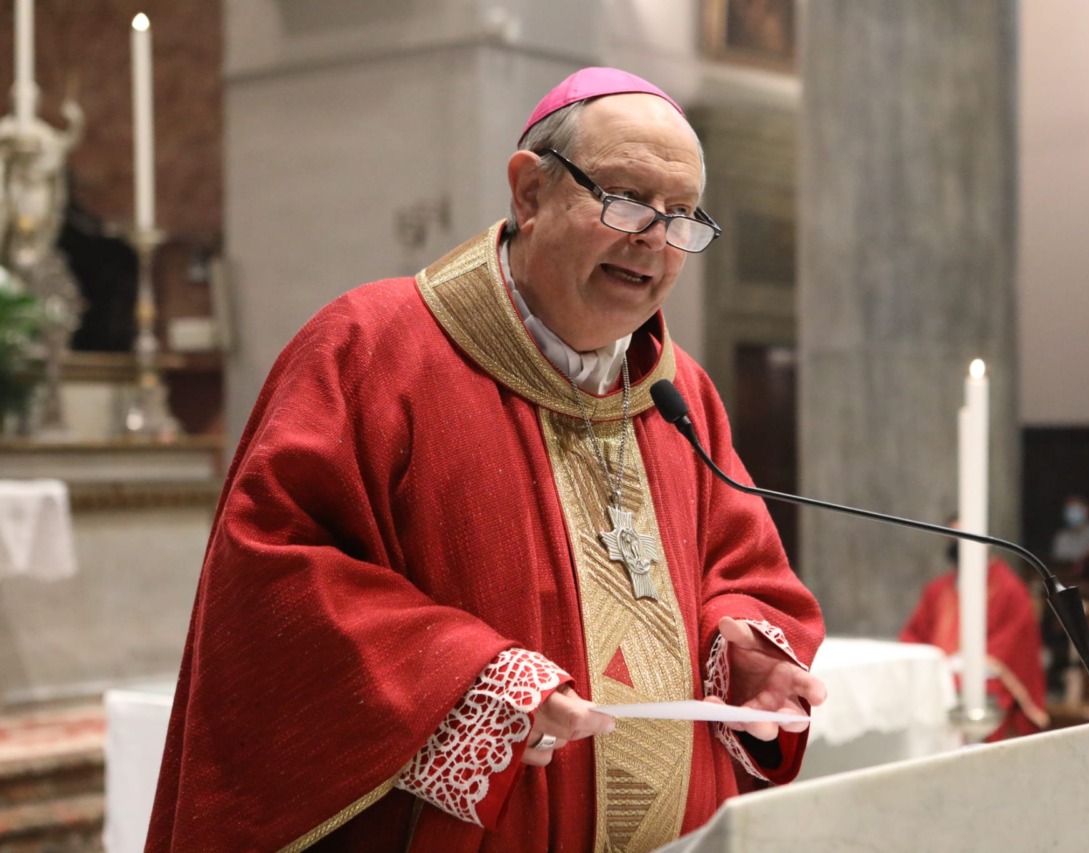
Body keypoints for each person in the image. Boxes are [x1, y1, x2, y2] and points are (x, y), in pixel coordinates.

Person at [145, 68, 826, 852]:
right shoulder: (375, 348)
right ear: (530, 193)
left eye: (680, 218)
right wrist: (471, 681)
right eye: (627, 199)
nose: (653, 239)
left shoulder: (680, 393)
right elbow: (272, 575)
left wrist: (740, 652)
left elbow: (738, 568)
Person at [899, 521, 1048, 740]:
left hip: (987, 672)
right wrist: (930, 661)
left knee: (964, 689)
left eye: (962, 537)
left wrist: (965, 662)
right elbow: (914, 633)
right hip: (940, 668)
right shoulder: (938, 589)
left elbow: (1014, 639)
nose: (956, 544)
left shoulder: (1008, 588)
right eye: (952, 538)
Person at [1050, 494, 1089, 565]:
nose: (1073, 514)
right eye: (1069, 510)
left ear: (1086, 511)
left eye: (1076, 510)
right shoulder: (1061, 537)